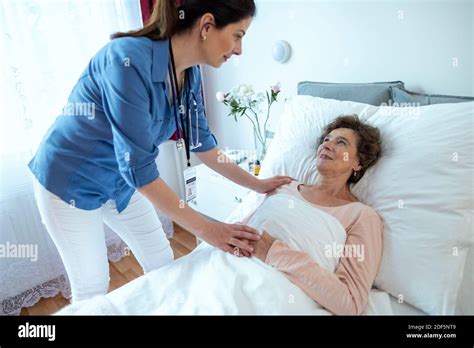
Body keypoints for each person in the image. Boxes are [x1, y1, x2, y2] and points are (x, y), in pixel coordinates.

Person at [28, 0, 292, 302]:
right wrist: (210, 229)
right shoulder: (126, 60)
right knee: (92, 288)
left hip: (121, 184)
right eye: (238, 35)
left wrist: (257, 184)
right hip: (69, 182)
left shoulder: (189, 74)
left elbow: (203, 144)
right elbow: (139, 169)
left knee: (163, 262)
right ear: (207, 26)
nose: (238, 49)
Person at [246, 115, 384, 314]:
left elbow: (350, 302)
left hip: (270, 295)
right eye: (326, 140)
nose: (327, 145)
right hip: (228, 265)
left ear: (358, 163)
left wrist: (274, 252)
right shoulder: (284, 186)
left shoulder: (361, 216)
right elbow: (239, 230)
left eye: (341, 142)